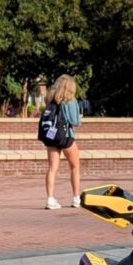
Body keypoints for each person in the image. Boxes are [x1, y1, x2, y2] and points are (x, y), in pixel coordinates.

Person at [44, 74, 82, 208]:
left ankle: (50, 199)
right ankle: (76, 198)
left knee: (53, 168)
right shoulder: (70, 100)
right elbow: (75, 121)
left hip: (51, 135)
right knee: (75, 166)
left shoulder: (50, 99)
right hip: (66, 136)